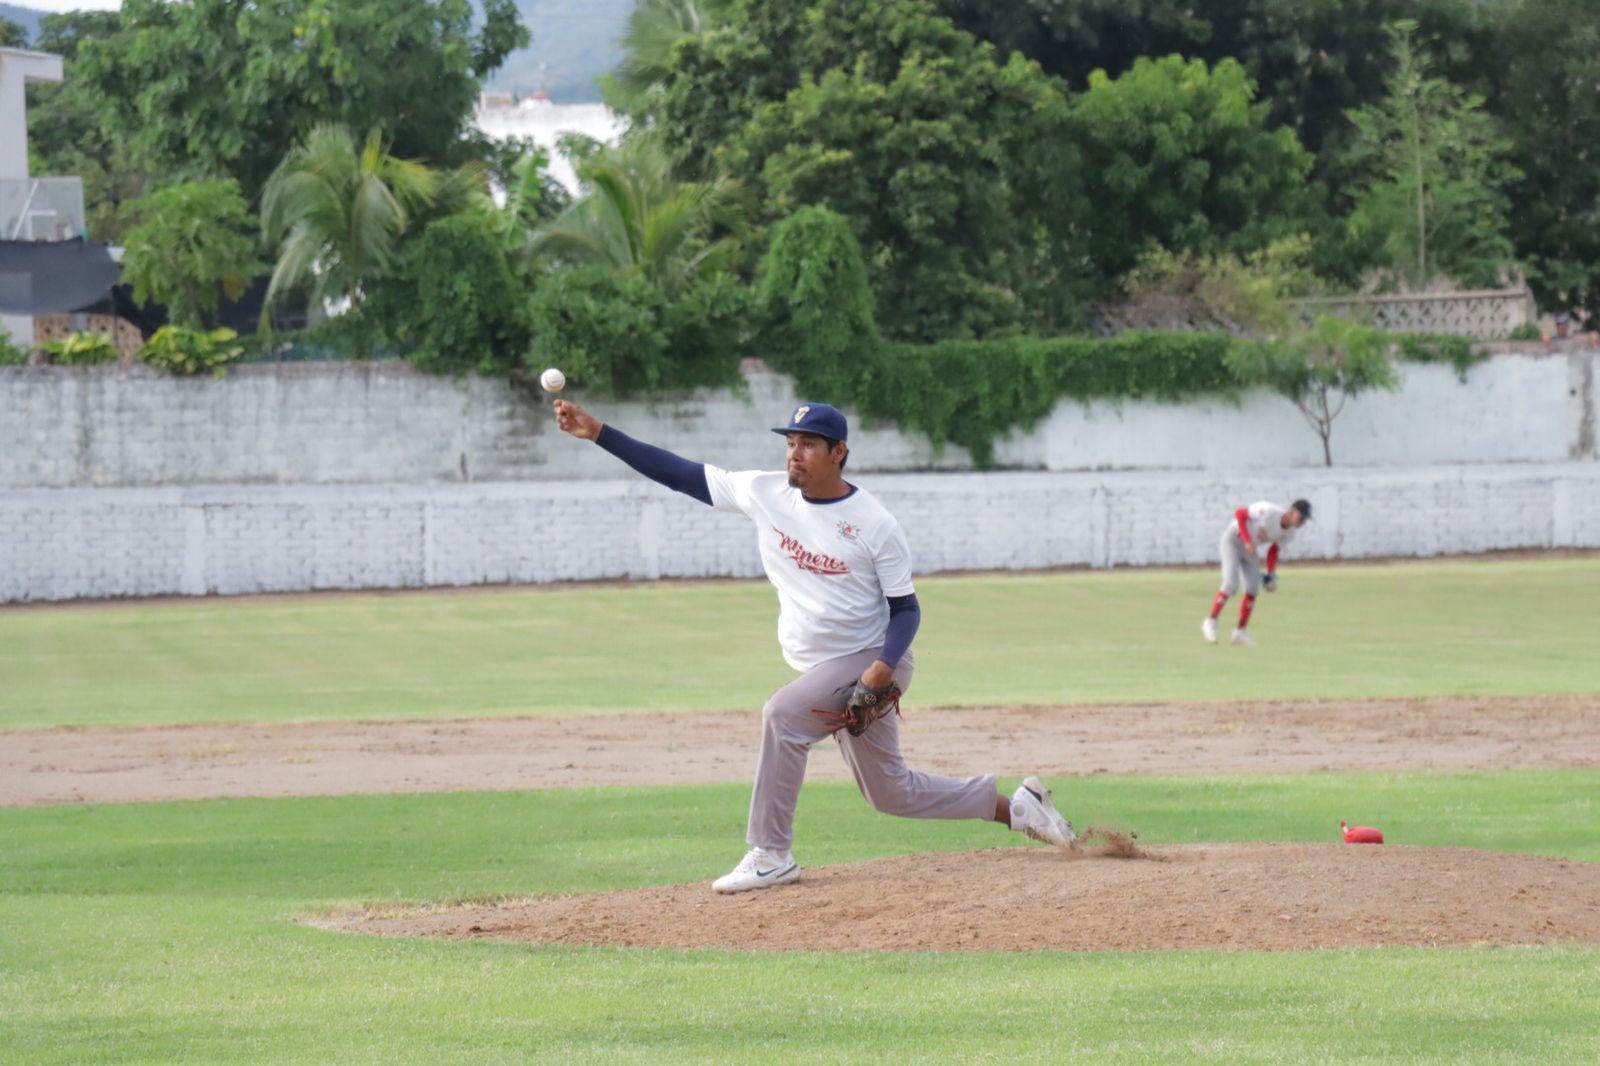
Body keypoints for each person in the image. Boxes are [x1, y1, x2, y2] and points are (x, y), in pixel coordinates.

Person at [553, 398, 1077, 893]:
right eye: (790, 443)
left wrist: (881, 669)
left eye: (808, 444)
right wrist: (598, 433)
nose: (794, 454)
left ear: (838, 453)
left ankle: (771, 853)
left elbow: (907, 610)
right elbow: (681, 473)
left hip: (871, 660)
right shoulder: (764, 493)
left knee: (782, 715)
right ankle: (1019, 808)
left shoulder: (874, 523)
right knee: (890, 793)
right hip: (824, 668)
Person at [1202, 499, 1311, 646]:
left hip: (1251, 548)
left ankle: (1240, 632)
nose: (1302, 521)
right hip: (1233, 540)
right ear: (1291, 512)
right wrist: (1247, 541)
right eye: (1301, 517)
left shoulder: (1290, 533)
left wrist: (1271, 574)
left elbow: (1273, 551)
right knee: (1231, 584)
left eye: (1305, 519)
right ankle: (1211, 622)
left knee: (1253, 587)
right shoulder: (1268, 510)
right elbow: (1240, 514)